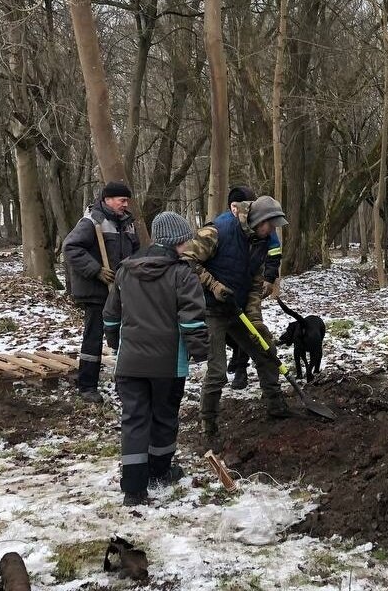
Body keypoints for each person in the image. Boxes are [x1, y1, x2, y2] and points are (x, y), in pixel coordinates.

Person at [102, 211, 207, 506]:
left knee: (134, 420)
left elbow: (111, 315)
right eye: (185, 240)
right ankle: (159, 473)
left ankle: (134, 490)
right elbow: (191, 320)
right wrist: (200, 351)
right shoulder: (182, 273)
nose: (187, 245)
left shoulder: (125, 270)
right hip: (167, 364)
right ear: (177, 241)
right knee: (163, 417)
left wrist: (115, 342)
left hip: (130, 363)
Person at [182, 196, 292, 447]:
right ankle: (209, 428)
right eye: (270, 225)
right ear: (257, 220)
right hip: (210, 309)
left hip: (237, 308)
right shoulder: (217, 231)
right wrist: (213, 285)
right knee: (218, 371)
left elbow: (255, 282)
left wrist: (255, 319)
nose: (272, 230)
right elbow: (186, 260)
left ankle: (276, 405)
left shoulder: (260, 241)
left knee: (266, 350)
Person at [63, 181, 140, 403]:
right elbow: (70, 248)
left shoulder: (128, 223)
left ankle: (125, 380)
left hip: (121, 290)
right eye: (121, 200)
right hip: (97, 291)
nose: (125, 205)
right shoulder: (92, 222)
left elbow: (134, 253)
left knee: (125, 336)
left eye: (127, 201)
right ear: (107, 200)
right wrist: (95, 270)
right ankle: (87, 385)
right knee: (94, 338)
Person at [222, 186, 283, 390]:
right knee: (231, 334)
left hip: (248, 292)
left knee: (253, 331)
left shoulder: (264, 232)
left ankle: (243, 369)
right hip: (222, 298)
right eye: (232, 206)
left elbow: (272, 253)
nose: (235, 210)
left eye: (239, 206)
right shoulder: (223, 227)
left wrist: (269, 277)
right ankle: (238, 358)